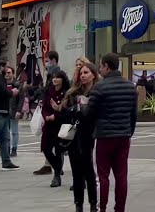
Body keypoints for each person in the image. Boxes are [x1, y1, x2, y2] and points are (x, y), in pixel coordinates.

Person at [88, 53, 137, 212]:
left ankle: (102, 208)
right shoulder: (130, 86)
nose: (99, 69)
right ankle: (119, 208)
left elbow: (90, 112)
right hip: (123, 136)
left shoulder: (99, 87)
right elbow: (133, 115)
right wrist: (128, 131)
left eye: (101, 66)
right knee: (121, 175)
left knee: (103, 176)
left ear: (107, 66)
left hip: (104, 136)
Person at [64, 62, 100, 212]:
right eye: (81, 73)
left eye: (86, 73)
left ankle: (93, 203)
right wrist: (74, 109)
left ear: (93, 75)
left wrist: (85, 109)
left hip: (88, 134)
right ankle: (78, 204)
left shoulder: (97, 92)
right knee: (76, 171)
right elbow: (65, 113)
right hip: (74, 133)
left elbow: (97, 113)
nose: (83, 76)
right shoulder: (73, 93)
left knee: (88, 169)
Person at [41, 69, 69, 187]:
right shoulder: (49, 91)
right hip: (48, 126)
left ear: (63, 79)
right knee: (46, 148)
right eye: (53, 77)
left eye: (58, 77)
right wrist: (46, 116)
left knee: (59, 150)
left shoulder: (66, 93)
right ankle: (57, 167)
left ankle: (56, 175)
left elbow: (67, 110)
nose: (55, 79)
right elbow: (44, 107)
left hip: (60, 125)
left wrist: (55, 115)